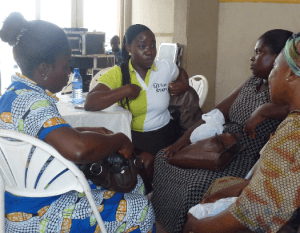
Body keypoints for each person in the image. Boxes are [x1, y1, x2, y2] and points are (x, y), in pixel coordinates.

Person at [0, 12, 155, 233]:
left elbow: (41, 136)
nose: (69, 75)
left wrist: (86, 130)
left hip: (20, 198)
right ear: (43, 69)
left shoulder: (15, 94)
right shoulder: (33, 102)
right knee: (141, 207)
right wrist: (119, 138)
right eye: (65, 66)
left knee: (135, 184)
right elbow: (79, 150)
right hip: (41, 211)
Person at [151, 29, 293, 233]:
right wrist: (182, 142)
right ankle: (162, 221)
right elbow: (216, 111)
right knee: (163, 159)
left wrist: (265, 109)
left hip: (242, 154)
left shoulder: (282, 91)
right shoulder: (252, 82)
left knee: (198, 184)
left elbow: (292, 109)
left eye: (259, 52)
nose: (252, 58)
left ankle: (186, 227)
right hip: (220, 142)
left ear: (279, 58)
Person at [85, 24, 189, 185]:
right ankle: (145, 197)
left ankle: (153, 195)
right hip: (133, 136)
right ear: (128, 48)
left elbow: (180, 71)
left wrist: (183, 82)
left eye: (153, 45)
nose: (149, 51)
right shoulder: (119, 73)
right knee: (138, 165)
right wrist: (124, 90)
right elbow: (90, 103)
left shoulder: (164, 67)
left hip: (164, 132)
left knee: (148, 163)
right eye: (142, 46)